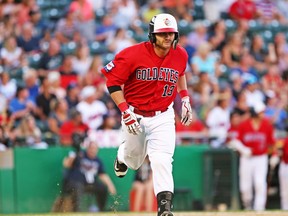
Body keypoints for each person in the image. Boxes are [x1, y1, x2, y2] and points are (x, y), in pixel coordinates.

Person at [101, 13, 193, 216]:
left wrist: (184, 98)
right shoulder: (132, 54)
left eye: (171, 33)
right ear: (152, 35)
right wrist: (125, 111)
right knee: (134, 162)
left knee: (162, 159)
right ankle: (122, 155)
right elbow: (112, 82)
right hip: (135, 114)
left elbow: (180, 72)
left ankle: (165, 209)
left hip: (163, 115)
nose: (168, 37)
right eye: (163, 34)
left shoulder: (180, 54)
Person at [230, 102, 276, 211]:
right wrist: (243, 149)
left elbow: (272, 143)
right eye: (261, 112)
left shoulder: (266, 125)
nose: (263, 114)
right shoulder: (244, 125)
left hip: (261, 157)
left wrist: (274, 155)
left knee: (260, 183)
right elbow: (236, 141)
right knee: (245, 186)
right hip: (246, 158)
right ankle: (248, 206)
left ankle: (259, 208)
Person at [62, 138, 116, 212]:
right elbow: (66, 164)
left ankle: (102, 209)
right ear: (87, 148)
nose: (92, 150)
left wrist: (110, 185)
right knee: (77, 187)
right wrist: (74, 155)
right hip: (75, 183)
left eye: (94, 148)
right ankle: (77, 211)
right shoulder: (80, 154)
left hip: (90, 184)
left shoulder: (98, 161)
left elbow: (102, 174)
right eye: (91, 148)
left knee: (102, 187)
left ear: (97, 150)